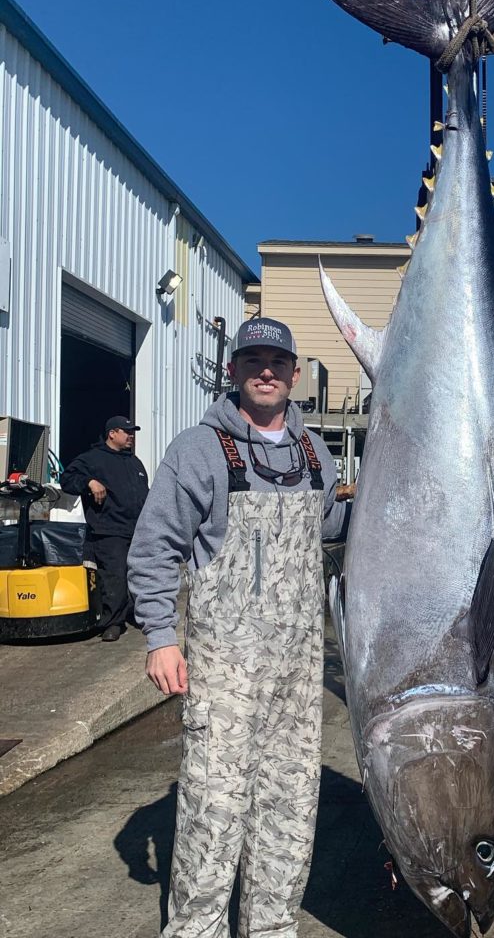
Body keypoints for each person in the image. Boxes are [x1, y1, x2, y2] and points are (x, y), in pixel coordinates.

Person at [128, 317, 350, 938]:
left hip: (298, 679)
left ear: (294, 373)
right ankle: (196, 928)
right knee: (212, 807)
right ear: (233, 370)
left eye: (277, 361)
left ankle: (272, 927)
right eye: (253, 359)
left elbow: (326, 527)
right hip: (224, 672)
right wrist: (161, 636)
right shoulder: (198, 450)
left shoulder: (314, 454)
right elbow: (153, 549)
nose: (266, 371)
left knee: (289, 806)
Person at [61, 415, 149, 641]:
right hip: (109, 530)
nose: (131, 436)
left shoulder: (134, 462)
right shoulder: (92, 459)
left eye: (133, 432)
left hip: (137, 529)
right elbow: (67, 479)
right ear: (112, 434)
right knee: (114, 577)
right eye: (126, 431)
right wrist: (89, 482)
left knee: (140, 575)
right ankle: (113, 623)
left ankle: (139, 614)